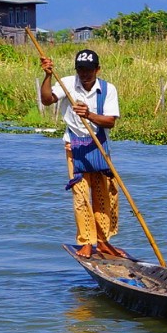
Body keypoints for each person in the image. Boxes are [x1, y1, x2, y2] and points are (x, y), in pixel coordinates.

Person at [40, 47, 123, 259]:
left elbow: (110, 122)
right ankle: (86, 241)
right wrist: (48, 76)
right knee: (81, 196)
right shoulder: (68, 83)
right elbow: (47, 100)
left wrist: (90, 114)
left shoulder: (107, 89)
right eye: (80, 69)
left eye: (89, 70)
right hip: (74, 146)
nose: (84, 74)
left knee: (104, 194)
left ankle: (103, 242)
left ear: (97, 69)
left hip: (98, 146)